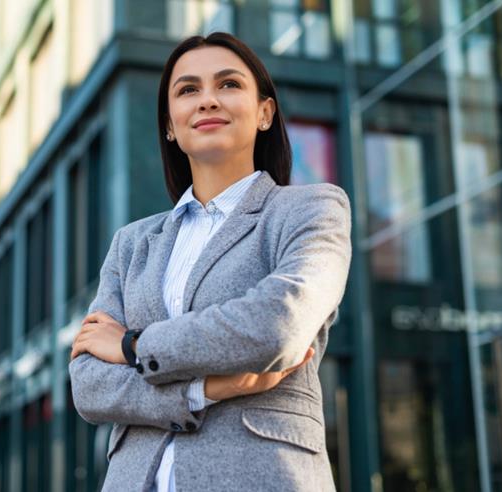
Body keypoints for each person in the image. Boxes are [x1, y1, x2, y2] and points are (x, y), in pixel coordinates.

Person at [68, 31, 351, 492]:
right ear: (169, 125)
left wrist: (132, 346)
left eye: (229, 85)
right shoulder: (132, 243)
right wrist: (202, 390)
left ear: (264, 113)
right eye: (188, 90)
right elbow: (89, 386)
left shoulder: (311, 209)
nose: (207, 101)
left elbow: (276, 325)